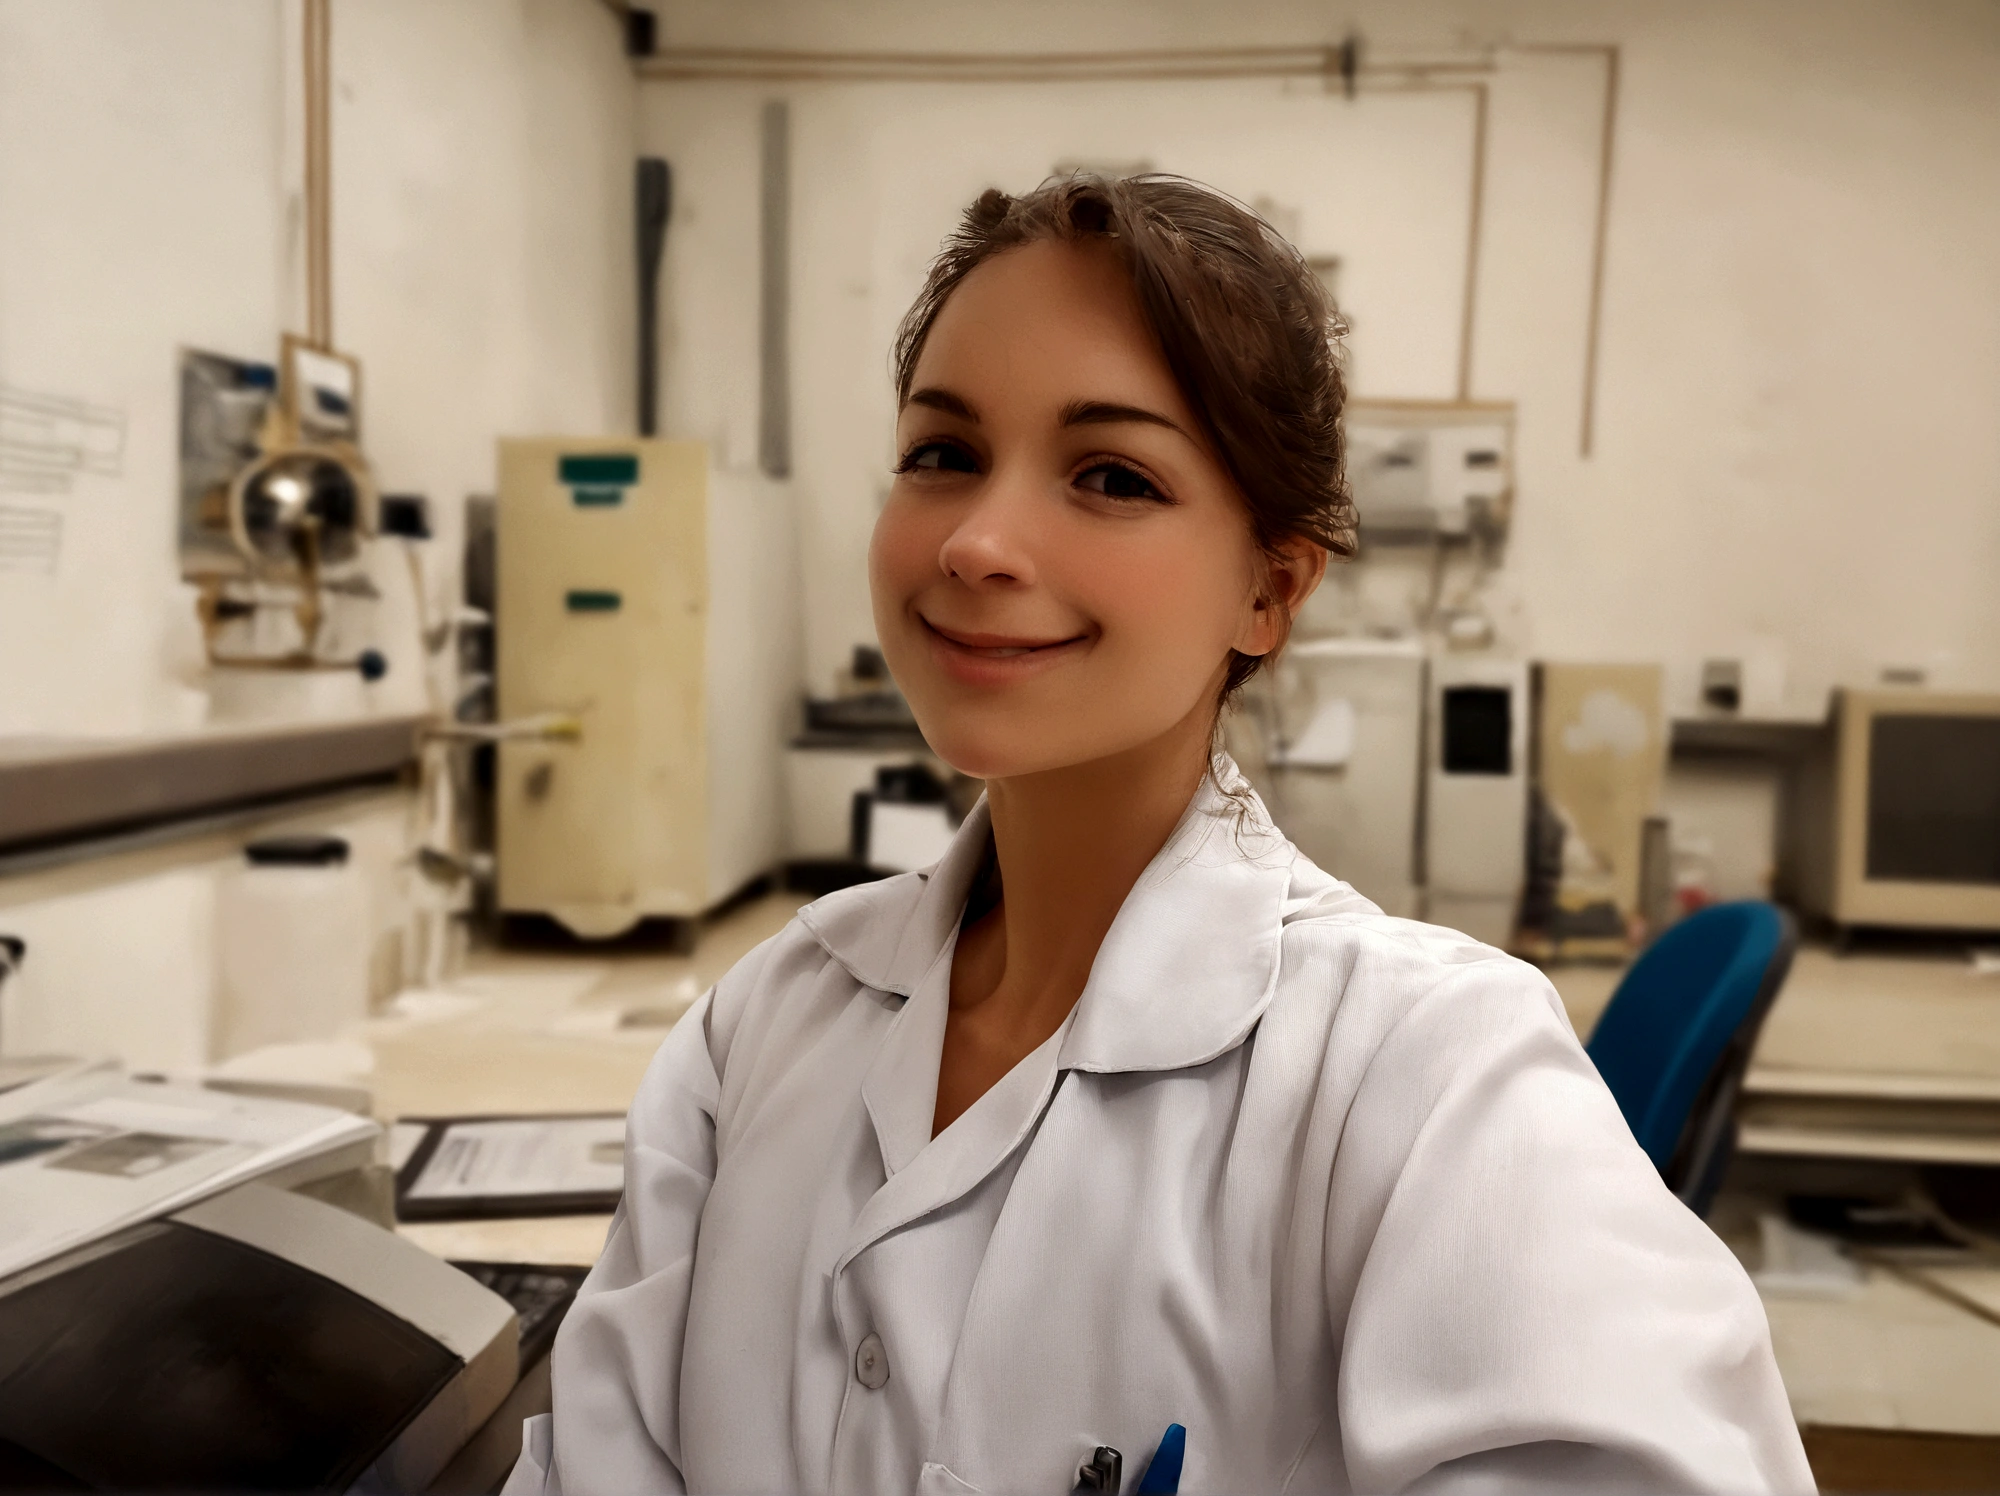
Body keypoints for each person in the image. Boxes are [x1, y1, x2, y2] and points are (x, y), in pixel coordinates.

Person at [505, 175, 1812, 1495]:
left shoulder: (1426, 1080)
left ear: (1269, 589)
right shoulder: (760, 1027)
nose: (977, 540)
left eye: (1112, 475)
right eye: (942, 454)